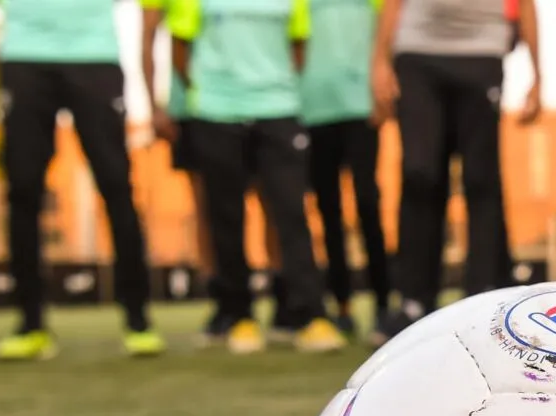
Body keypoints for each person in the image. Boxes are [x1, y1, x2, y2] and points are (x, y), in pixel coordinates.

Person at [0, 0, 164, 360]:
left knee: (116, 185)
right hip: (24, 57)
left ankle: (138, 320)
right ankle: (30, 323)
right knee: (23, 189)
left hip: (94, 57)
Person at [176, 0, 347, 353]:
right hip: (216, 111)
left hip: (278, 109)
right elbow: (181, 48)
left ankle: (308, 315)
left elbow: (298, 46)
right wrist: (212, 90)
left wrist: (271, 86)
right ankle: (239, 316)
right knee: (226, 217)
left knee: (291, 213)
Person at [371, 0, 542, 335]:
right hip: (418, 53)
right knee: (420, 175)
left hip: (482, 53)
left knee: (482, 179)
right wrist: (379, 62)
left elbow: (526, 5)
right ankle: (413, 301)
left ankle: (484, 300)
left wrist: (538, 75)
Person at [301, 0, 393, 342]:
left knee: (368, 203)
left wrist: (383, 91)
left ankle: (384, 302)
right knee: (328, 211)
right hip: (315, 109)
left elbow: (387, 34)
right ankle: (341, 305)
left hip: (361, 106)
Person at [141, 0, 228, 347]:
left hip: (254, 103)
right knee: (207, 206)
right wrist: (154, 106)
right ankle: (223, 300)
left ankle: (287, 301)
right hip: (192, 108)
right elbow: (149, 36)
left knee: (271, 200)